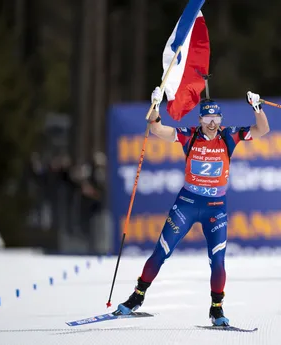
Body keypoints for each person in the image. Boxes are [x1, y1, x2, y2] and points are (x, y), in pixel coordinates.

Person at [114, 87, 270, 326]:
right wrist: (155, 106)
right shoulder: (190, 135)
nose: (211, 123)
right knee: (161, 252)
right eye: (207, 118)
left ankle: (216, 309)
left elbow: (263, 130)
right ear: (200, 119)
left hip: (215, 207)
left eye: (216, 118)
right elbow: (157, 129)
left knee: (217, 261)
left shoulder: (229, 136)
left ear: (220, 120)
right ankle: (137, 296)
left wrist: (257, 108)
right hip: (187, 203)